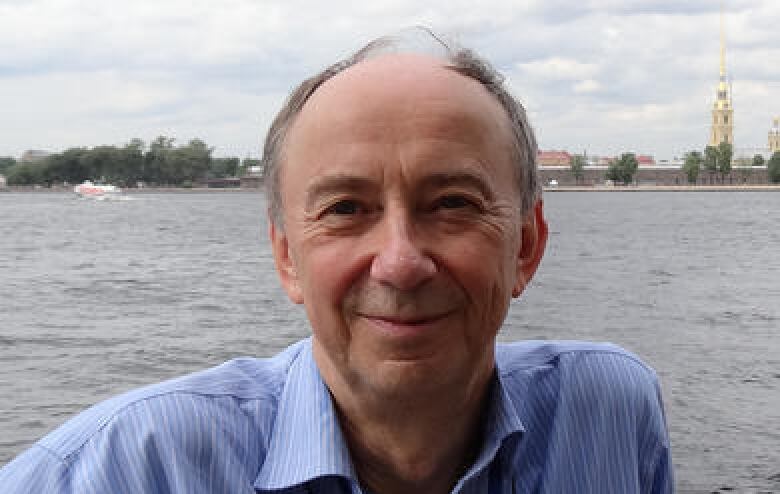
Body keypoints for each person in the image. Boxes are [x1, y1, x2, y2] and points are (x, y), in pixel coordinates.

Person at [0, 30, 673, 493]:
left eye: (453, 203)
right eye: (346, 209)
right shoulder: (130, 467)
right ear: (287, 257)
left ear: (525, 245)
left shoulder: (610, 411)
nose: (401, 263)